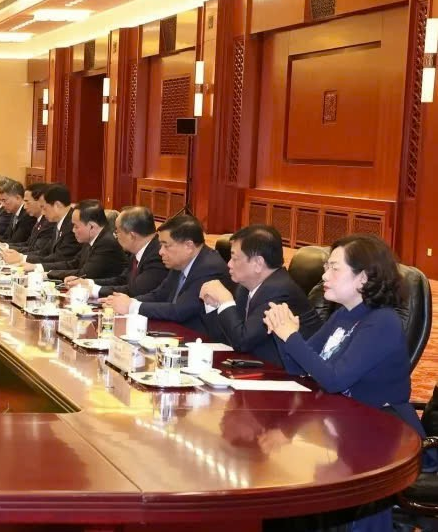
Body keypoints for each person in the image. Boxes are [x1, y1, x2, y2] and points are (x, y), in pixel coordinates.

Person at [263, 234, 436, 530]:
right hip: (346, 424)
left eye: (334, 268)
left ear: (363, 278)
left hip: (385, 432)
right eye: (326, 267)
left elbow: (333, 379)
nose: (324, 275)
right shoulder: (344, 314)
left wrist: (291, 336)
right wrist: (283, 333)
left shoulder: (382, 321)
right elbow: (298, 368)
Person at [200, 225, 322, 364]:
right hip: (255, 364)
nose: (229, 264)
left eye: (234, 258)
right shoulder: (245, 286)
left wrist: (225, 301)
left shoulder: (279, 290)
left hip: (293, 372)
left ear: (258, 263)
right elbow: (223, 338)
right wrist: (214, 305)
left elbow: (242, 342)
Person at [103, 214, 231, 335]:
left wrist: (132, 306)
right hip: (175, 331)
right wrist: (126, 301)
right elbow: (159, 295)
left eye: (166, 246)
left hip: (201, 341)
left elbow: (180, 310)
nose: (160, 252)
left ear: (188, 246)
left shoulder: (209, 268)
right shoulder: (180, 262)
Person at [78, 206, 168, 299]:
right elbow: (122, 280)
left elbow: (135, 291)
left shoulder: (157, 255)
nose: (116, 236)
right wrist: (89, 283)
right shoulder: (137, 250)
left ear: (132, 236)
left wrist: (95, 291)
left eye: (118, 232)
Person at [35, 199, 127, 281]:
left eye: (76, 226)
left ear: (91, 226)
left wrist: (49, 274)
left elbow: (84, 274)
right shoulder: (91, 238)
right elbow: (74, 263)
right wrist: (41, 269)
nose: (73, 230)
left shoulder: (106, 243)